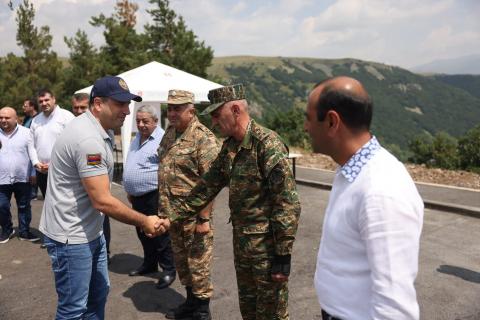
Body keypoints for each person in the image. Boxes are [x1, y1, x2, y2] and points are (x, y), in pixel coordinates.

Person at [161, 84, 301, 320]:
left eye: (217, 115)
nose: (214, 122)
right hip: (243, 246)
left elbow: (287, 204)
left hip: (267, 251)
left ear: (235, 109)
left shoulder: (267, 145)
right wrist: (169, 218)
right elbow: (205, 188)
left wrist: (283, 256)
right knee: (249, 310)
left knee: (272, 313)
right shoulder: (230, 148)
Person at [39, 75, 169, 319]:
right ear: (98, 104)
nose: (127, 111)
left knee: (97, 296)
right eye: (120, 104)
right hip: (72, 238)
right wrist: (145, 221)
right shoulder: (89, 139)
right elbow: (101, 200)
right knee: (73, 309)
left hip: (90, 232)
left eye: (127, 103)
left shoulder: (97, 130)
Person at [303, 76, 424, 320]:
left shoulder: (381, 190)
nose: (305, 127)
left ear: (331, 122)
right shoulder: (352, 171)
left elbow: (395, 309)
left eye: (308, 118)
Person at [158, 90, 220, 320]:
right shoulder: (171, 133)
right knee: (183, 264)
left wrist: (204, 219)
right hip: (173, 216)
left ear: (191, 110)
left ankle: (203, 312)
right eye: (170, 108)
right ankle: (191, 303)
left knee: (199, 266)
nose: (172, 113)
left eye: (177, 108)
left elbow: (212, 182)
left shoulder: (203, 138)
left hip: (195, 218)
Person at [123, 105, 176, 288]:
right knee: (142, 232)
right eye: (138, 121)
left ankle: (169, 269)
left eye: (145, 121)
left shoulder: (162, 139)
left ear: (155, 121)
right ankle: (149, 263)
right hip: (137, 196)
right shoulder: (137, 137)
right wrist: (130, 189)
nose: (141, 124)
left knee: (160, 234)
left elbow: (169, 170)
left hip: (155, 195)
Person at [71, 91, 112, 261]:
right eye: (76, 108)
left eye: (82, 107)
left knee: (103, 220)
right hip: (79, 211)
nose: (79, 111)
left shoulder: (101, 128)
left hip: (99, 190)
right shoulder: (81, 132)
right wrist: (143, 221)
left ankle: (105, 250)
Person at [0, 107, 40, 243]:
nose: (3, 120)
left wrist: (34, 172)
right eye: (1, 117)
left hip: (23, 177)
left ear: (15, 118)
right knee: (2, 206)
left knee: (24, 206)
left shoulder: (27, 133)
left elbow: (32, 152)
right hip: (2, 178)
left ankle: (24, 231)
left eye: (7, 117)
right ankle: (7, 229)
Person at [29, 89, 75, 199]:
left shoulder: (66, 116)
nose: (44, 103)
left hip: (62, 170)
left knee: (63, 204)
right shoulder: (35, 120)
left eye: (46, 100)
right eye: (41, 101)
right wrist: (36, 163)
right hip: (41, 171)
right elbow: (31, 144)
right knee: (48, 205)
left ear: (54, 99)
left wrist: (54, 164)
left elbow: (73, 143)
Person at [22, 98, 39, 200]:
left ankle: (33, 193)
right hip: (26, 151)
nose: (23, 107)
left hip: (34, 150)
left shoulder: (37, 119)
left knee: (33, 172)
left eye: (25, 105)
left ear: (32, 107)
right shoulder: (26, 118)